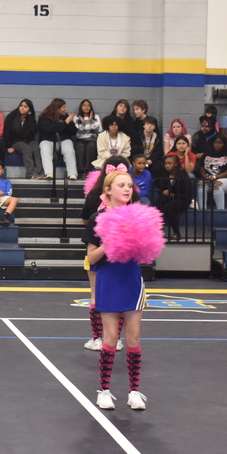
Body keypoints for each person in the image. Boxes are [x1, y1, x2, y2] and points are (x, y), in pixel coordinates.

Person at [82, 170, 148, 411]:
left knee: (133, 338)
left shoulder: (138, 217)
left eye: (129, 185)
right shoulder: (97, 219)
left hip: (132, 279)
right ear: (108, 190)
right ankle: (104, 390)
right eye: (121, 185)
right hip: (108, 279)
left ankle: (134, 391)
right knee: (110, 338)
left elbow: (146, 253)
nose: (127, 189)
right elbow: (91, 256)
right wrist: (108, 244)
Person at [38, 99, 78, 180]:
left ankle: (72, 173)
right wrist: (65, 123)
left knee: (69, 150)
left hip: (63, 140)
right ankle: (49, 173)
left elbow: (73, 131)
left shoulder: (66, 117)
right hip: (47, 140)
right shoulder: (44, 117)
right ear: (57, 108)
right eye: (63, 107)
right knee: (44, 148)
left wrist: (69, 123)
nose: (65, 109)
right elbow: (50, 128)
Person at [156, 154, 190, 241]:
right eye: (166, 163)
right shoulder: (164, 175)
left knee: (168, 207)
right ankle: (155, 231)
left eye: (169, 163)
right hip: (169, 197)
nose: (167, 165)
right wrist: (163, 191)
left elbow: (187, 194)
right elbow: (162, 188)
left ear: (175, 164)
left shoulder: (183, 175)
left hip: (182, 199)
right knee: (156, 204)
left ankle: (176, 232)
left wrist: (173, 195)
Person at [198, 136, 227, 210]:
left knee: (216, 186)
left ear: (224, 144)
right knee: (201, 186)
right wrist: (206, 177)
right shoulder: (207, 154)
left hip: (226, 179)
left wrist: (215, 177)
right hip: (209, 178)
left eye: (220, 143)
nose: (217, 145)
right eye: (215, 142)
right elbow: (201, 168)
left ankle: (220, 210)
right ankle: (202, 210)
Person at [73, 99, 101, 175]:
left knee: (91, 147)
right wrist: (88, 123)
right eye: (84, 105)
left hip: (92, 139)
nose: (86, 107)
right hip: (80, 139)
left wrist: (87, 122)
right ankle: (80, 171)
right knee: (80, 147)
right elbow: (79, 131)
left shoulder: (96, 117)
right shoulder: (76, 117)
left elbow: (99, 130)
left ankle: (89, 171)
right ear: (81, 107)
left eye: (88, 105)